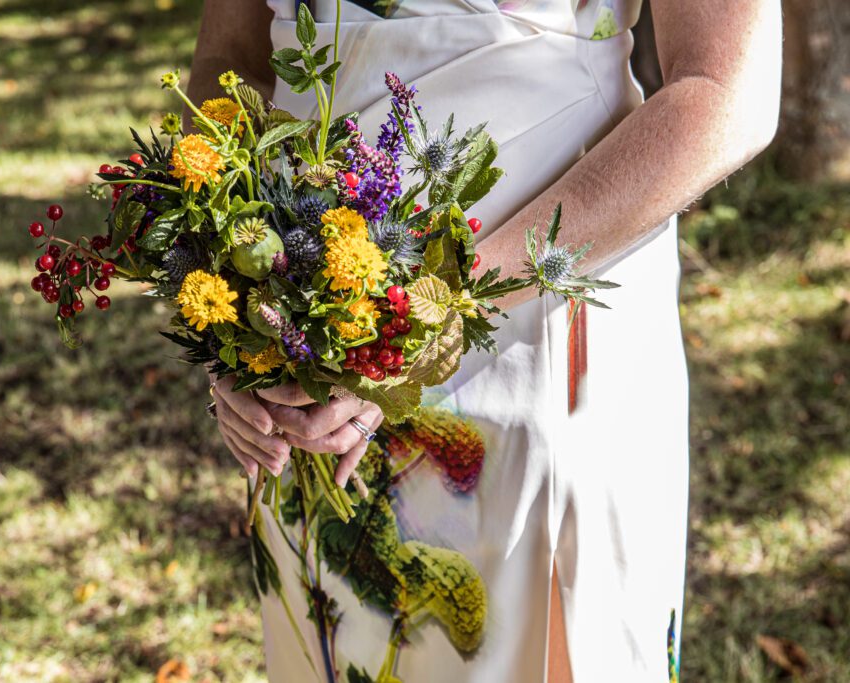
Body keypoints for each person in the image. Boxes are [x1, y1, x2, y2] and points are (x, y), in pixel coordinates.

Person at [188, 0, 781, 680]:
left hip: (538, 332)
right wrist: (232, 312)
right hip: (305, 335)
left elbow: (727, 89)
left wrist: (435, 313)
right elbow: (228, 64)